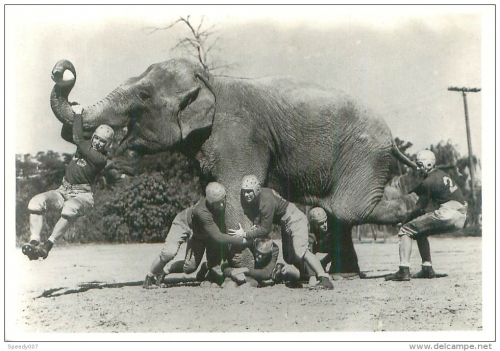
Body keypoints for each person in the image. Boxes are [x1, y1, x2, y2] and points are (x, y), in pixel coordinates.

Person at [22, 105, 114, 261]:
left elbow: (77, 137)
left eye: (102, 141)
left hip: (82, 196)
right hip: (62, 190)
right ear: (93, 137)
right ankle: (34, 242)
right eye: (96, 138)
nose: (98, 142)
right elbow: (66, 133)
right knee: (35, 203)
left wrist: (78, 115)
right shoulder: (85, 145)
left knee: (69, 209)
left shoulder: (100, 159)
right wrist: (67, 115)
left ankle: (48, 246)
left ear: (108, 145)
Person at [229, 175, 334, 289]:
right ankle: (307, 275)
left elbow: (265, 230)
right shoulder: (262, 196)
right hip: (286, 222)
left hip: (295, 220)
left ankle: (324, 278)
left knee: (302, 251)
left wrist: (244, 234)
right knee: (289, 257)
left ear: (257, 190)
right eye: (244, 192)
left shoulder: (266, 202)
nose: (246, 195)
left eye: (249, 191)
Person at [385, 149, 468, 281]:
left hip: (448, 214)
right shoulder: (441, 174)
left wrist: (404, 221)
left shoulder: (428, 181)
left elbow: (419, 207)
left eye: (419, 164)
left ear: (428, 165)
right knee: (420, 231)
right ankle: (427, 269)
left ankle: (403, 270)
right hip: (461, 216)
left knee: (406, 230)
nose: (417, 168)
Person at [143, 205, 204, 289]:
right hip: (184, 221)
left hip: (199, 231)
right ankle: (149, 276)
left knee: (190, 267)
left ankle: (163, 272)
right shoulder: (206, 203)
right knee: (169, 252)